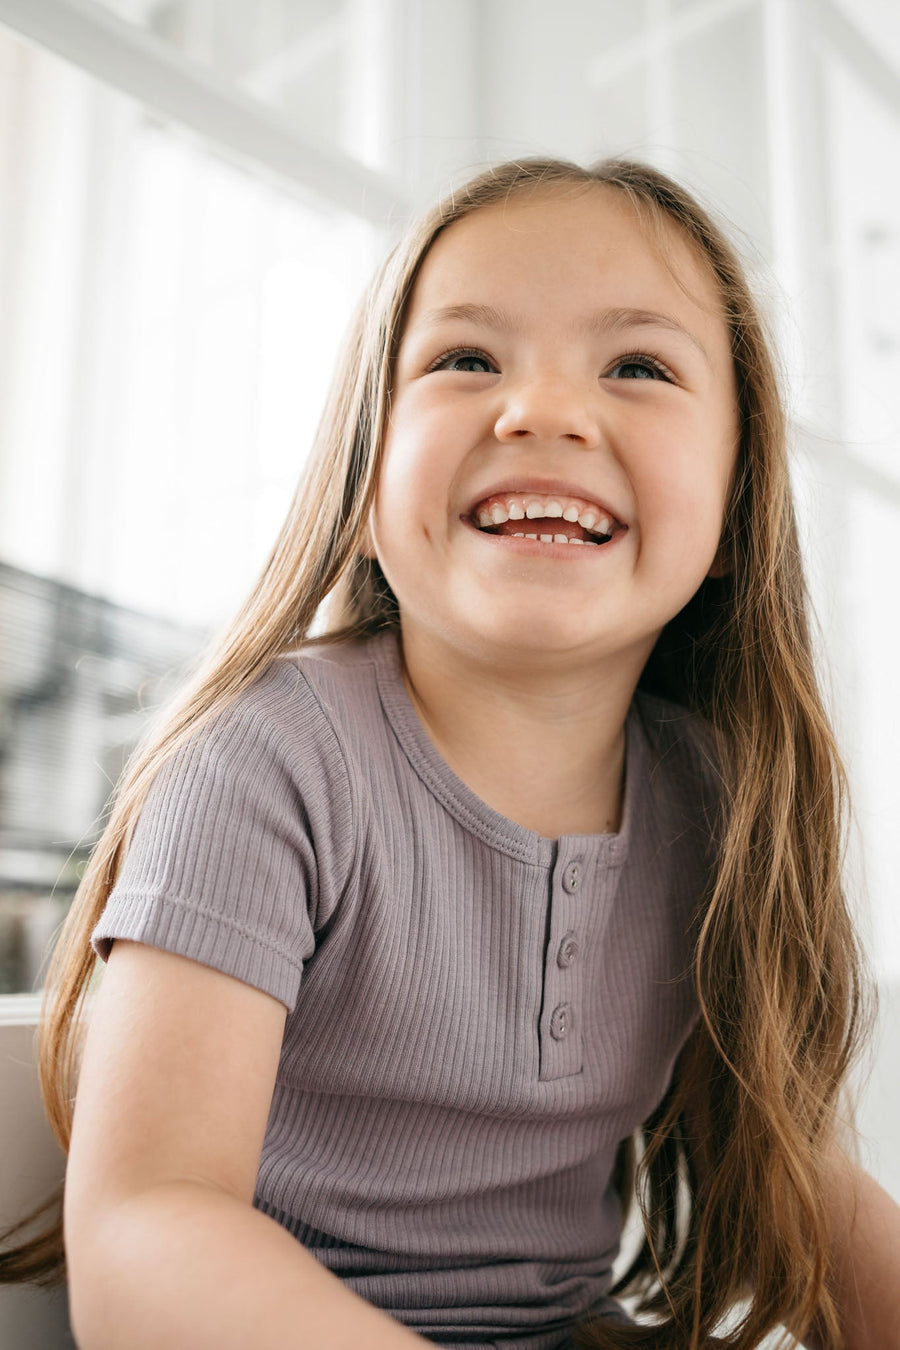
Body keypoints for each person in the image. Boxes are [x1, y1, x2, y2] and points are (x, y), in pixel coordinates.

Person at [2, 156, 898, 1350]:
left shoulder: (716, 802)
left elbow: (801, 1182)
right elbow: (147, 1234)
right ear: (365, 486)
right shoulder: (265, 764)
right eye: (466, 359)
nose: (542, 410)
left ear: (737, 513)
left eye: (637, 367)